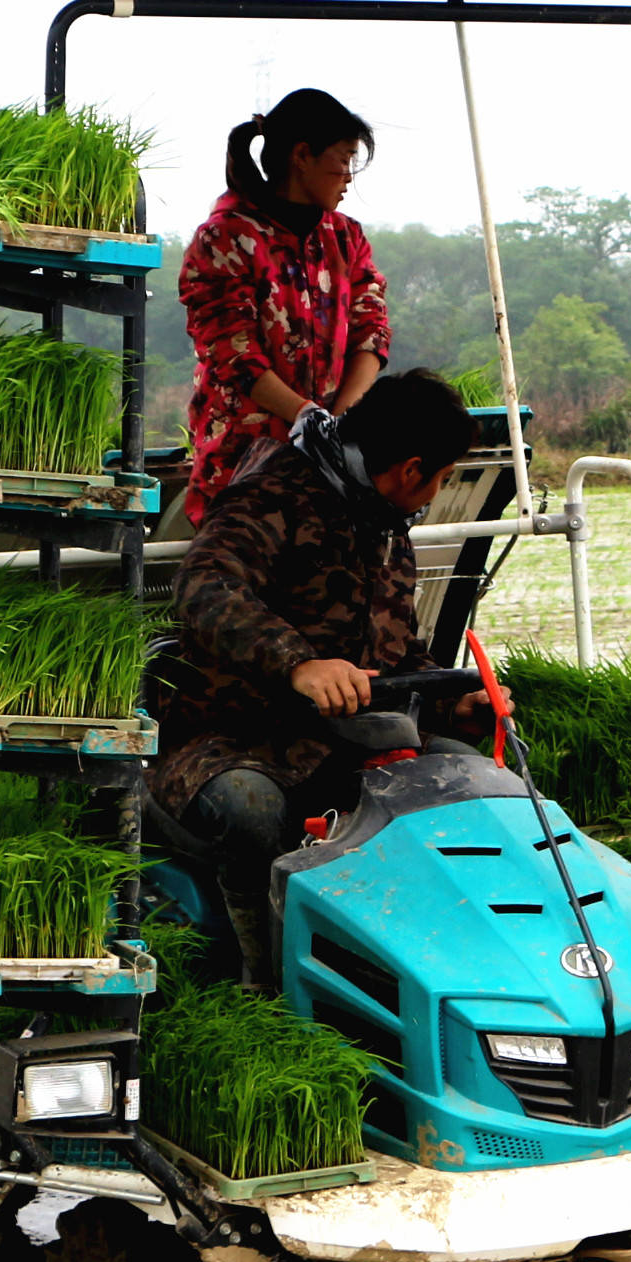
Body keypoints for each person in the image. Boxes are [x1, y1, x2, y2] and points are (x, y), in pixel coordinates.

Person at [152, 370, 479, 977]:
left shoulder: (388, 531)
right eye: (442, 475)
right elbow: (203, 588)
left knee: (472, 780)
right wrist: (297, 664)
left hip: (348, 745)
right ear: (411, 470)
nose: (438, 487)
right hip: (229, 740)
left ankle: (446, 970)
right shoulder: (271, 496)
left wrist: (455, 701)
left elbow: (401, 658)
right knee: (251, 810)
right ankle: (265, 991)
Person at [177, 87, 391, 520]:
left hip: (331, 474)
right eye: (343, 158)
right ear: (302, 155)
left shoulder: (345, 237)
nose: (348, 175)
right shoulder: (226, 238)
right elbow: (234, 355)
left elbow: (371, 330)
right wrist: (307, 418)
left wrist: (340, 422)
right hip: (243, 470)